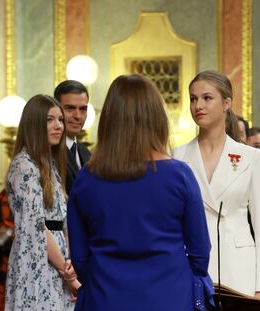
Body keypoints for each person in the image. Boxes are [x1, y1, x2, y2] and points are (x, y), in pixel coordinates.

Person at [67, 75, 213, 311]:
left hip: (105, 297)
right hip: (171, 296)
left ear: (110, 119)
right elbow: (200, 252)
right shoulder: (180, 175)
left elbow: (80, 258)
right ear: (156, 117)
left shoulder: (87, 178)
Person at [173, 70, 260, 297]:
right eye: (193, 99)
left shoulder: (251, 157)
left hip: (239, 269)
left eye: (206, 98)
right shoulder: (176, 156)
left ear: (226, 103)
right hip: (191, 267)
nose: (198, 105)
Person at [5, 94, 78, 310]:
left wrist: (71, 262)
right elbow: (36, 226)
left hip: (59, 262)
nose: (58, 126)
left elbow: (63, 221)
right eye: (49, 120)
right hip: (37, 260)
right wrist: (69, 275)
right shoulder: (24, 166)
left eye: (60, 120)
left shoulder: (50, 166)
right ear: (34, 124)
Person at [54, 80, 91, 194]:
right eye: (70, 108)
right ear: (55, 109)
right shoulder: (48, 152)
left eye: (83, 109)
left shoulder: (87, 153)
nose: (78, 116)